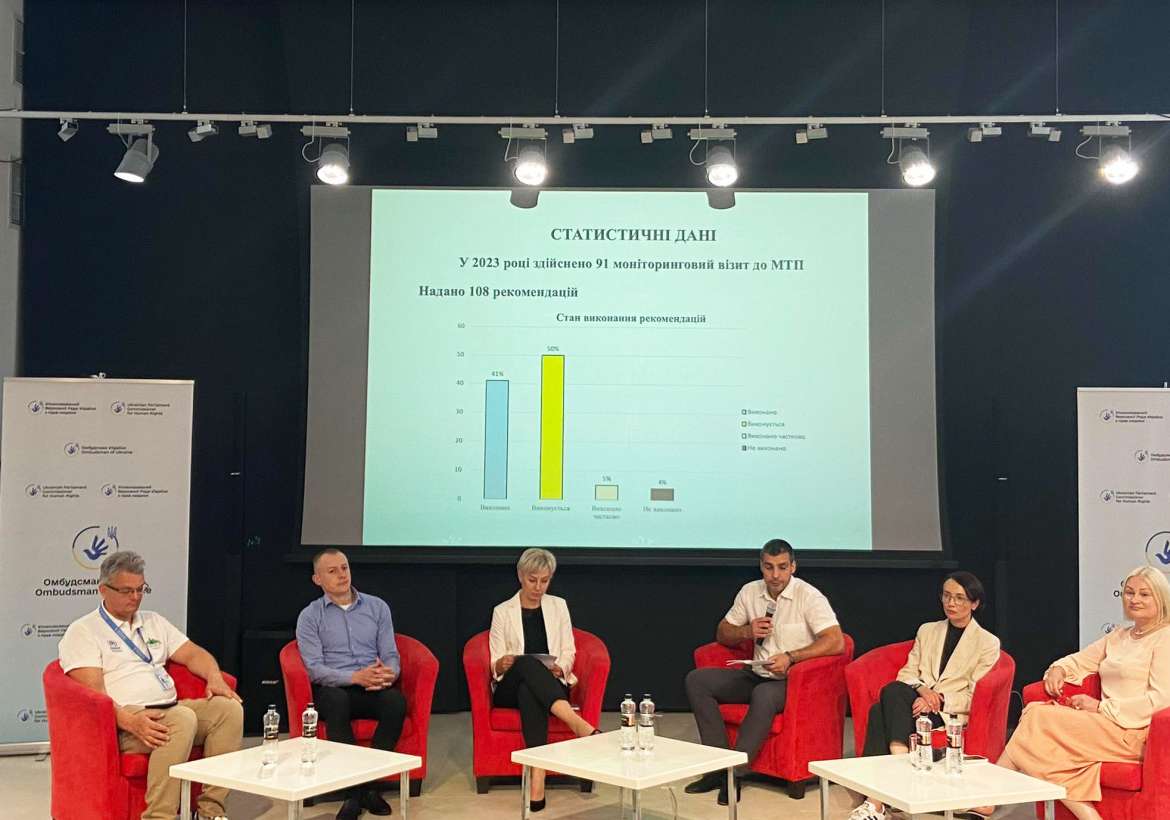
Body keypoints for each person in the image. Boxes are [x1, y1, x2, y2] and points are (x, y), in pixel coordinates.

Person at [967, 566, 1170, 820]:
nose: (1134, 599)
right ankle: (1082, 812)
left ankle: (991, 795)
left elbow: (1160, 701)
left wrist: (1100, 707)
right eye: (1129, 592)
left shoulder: (1165, 639)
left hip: (1134, 732)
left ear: (1160, 598)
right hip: (1104, 724)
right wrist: (1059, 669)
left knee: (1036, 716)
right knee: (1038, 724)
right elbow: (1080, 661)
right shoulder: (1120, 635)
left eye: (1144, 594)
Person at [57, 551, 243, 820]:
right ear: (103, 590)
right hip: (124, 720)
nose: (135, 597)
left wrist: (214, 677)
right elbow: (93, 695)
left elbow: (193, 654)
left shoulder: (153, 621)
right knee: (181, 720)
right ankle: (158, 816)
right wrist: (130, 721)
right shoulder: (84, 630)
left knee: (229, 710)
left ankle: (210, 812)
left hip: (171, 706)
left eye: (140, 589)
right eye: (126, 591)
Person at [684, 538, 845, 805]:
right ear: (761, 566)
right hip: (756, 673)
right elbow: (723, 632)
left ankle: (734, 775)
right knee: (697, 681)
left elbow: (836, 641)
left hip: (791, 680)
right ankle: (718, 768)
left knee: (765, 694)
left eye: (782, 567)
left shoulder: (809, 596)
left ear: (793, 567)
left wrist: (791, 657)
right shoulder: (750, 592)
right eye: (769, 567)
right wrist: (746, 631)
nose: (775, 575)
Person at [849, 572, 1000, 820]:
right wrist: (924, 691)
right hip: (916, 701)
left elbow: (974, 696)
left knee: (880, 710)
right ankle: (896, 772)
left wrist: (939, 699)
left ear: (974, 603)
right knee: (893, 690)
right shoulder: (928, 630)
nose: (951, 603)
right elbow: (907, 673)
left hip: (947, 712)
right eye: (947, 596)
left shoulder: (987, 643)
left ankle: (876, 800)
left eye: (959, 598)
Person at [296, 548, 406, 820]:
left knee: (395, 701)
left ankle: (368, 786)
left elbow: (390, 653)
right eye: (332, 571)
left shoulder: (377, 607)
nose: (342, 575)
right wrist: (354, 677)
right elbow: (314, 669)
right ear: (317, 579)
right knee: (336, 701)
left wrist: (389, 674)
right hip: (334, 688)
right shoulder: (310, 616)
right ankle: (354, 794)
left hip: (371, 686)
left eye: (344, 568)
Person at [489, 548, 598, 812]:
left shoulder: (558, 606)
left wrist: (561, 668)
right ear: (520, 576)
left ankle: (537, 777)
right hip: (508, 687)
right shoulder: (502, 611)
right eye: (532, 580)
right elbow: (495, 660)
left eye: (544, 581)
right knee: (527, 664)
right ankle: (575, 722)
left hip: (548, 683)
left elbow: (569, 649)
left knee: (530, 691)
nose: (538, 587)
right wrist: (501, 664)